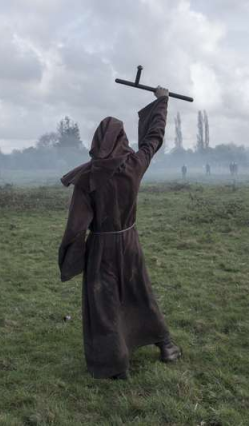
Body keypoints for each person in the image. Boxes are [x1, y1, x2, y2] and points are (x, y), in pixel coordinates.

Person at [58, 87, 181, 380]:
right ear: (122, 139)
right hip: (129, 243)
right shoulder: (135, 165)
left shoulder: (87, 177)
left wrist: (72, 257)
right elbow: (154, 138)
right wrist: (162, 101)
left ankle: (115, 365)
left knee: (105, 303)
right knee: (140, 292)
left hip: (101, 248)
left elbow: (76, 225)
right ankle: (166, 346)